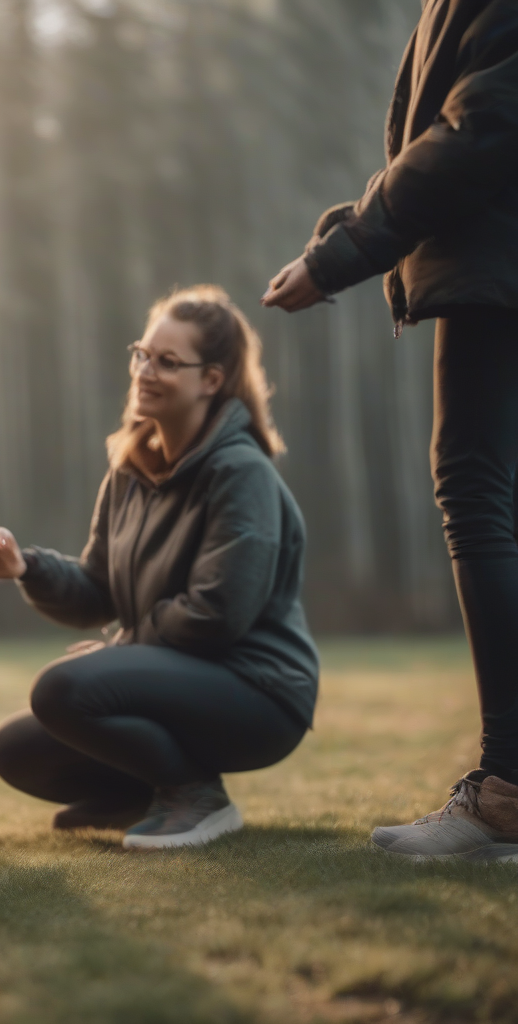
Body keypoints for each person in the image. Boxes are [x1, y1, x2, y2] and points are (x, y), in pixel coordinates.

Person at [262, 1, 518, 861]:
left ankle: (509, 794)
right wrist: (355, 225)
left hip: (502, 272)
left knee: (477, 495)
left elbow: (479, 134)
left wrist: (346, 253)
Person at [0, 285, 319, 850]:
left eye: (168, 362)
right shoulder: (130, 470)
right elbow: (95, 593)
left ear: (211, 379)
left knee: (63, 690)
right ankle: (143, 795)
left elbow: (219, 614)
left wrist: (124, 648)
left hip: (260, 690)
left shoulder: (241, 473)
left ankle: (195, 796)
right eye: (143, 354)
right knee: (15, 749)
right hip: (178, 674)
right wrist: (25, 567)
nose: (146, 371)